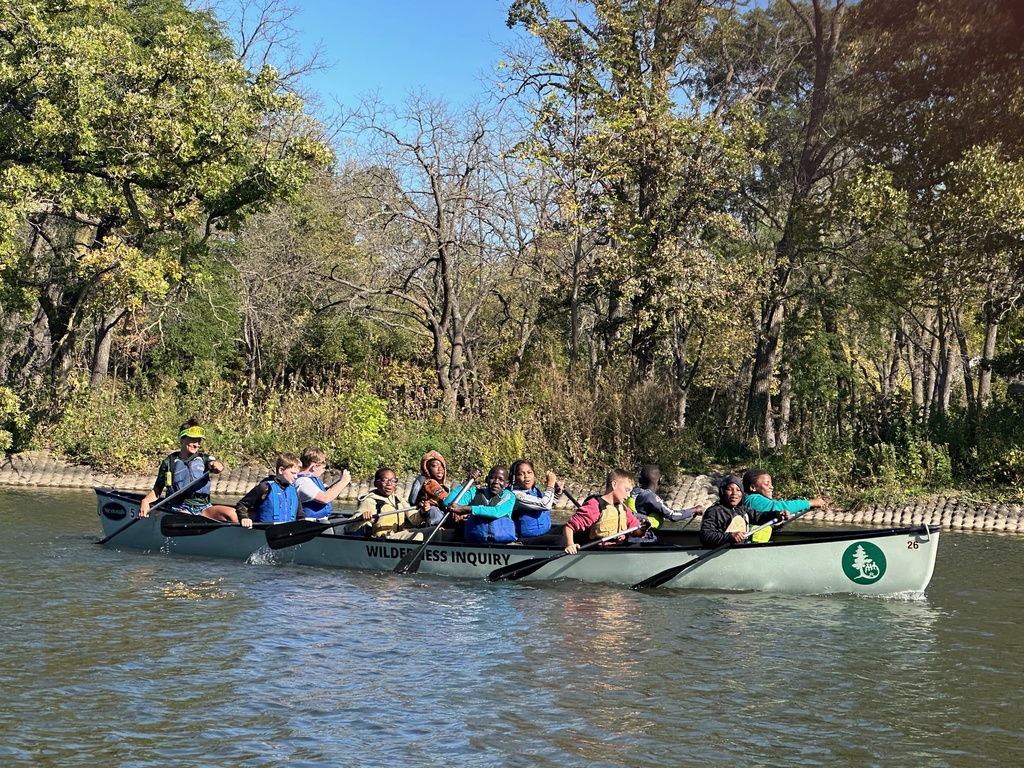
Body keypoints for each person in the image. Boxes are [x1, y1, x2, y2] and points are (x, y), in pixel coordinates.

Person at [138, 419, 237, 522]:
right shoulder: (169, 462)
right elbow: (157, 491)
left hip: (204, 507)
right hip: (179, 507)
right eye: (193, 440)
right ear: (182, 439)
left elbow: (217, 466)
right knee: (188, 519)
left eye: (199, 441)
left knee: (232, 514)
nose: (196, 444)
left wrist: (218, 465)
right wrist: (145, 501)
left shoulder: (204, 459)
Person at [563, 469, 645, 554]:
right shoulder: (594, 506)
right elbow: (569, 527)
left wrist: (644, 528)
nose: (628, 495)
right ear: (614, 485)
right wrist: (570, 544)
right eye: (627, 490)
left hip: (617, 550)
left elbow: (637, 530)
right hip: (596, 552)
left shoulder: (624, 509)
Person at [348, 467, 427, 540]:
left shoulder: (398, 499)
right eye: (384, 480)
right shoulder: (369, 501)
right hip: (382, 539)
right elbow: (349, 528)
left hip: (398, 535)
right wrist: (362, 519)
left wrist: (422, 512)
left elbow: (415, 520)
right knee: (418, 535)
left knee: (434, 532)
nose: (389, 483)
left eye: (393, 480)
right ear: (376, 483)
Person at [699, 475, 778, 547]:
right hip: (719, 551)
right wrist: (730, 536)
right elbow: (705, 536)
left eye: (738, 490)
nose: (734, 493)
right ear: (723, 492)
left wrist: (777, 515)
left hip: (739, 551)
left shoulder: (742, 509)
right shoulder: (714, 511)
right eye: (729, 490)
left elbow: (759, 516)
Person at [446, 465, 516, 543]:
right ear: (486, 479)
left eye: (501, 479)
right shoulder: (474, 492)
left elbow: (497, 511)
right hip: (476, 543)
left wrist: (466, 509)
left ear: (506, 483)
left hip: (502, 545)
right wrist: (467, 481)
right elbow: (448, 503)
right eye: (492, 478)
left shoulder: (509, 496)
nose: (496, 482)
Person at [236, 453, 304, 528]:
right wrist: (244, 518)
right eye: (293, 473)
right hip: (264, 533)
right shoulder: (265, 487)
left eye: (297, 474)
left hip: (287, 534)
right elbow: (242, 505)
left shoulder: (293, 491)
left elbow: (300, 517)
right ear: (281, 470)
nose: (296, 477)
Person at [627, 464, 702, 529]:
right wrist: (694, 509)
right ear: (659, 481)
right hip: (644, 539)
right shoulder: (650, 497)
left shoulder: (630, 493)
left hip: (629, 535)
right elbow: (673, 515)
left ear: (639, 480)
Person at [508, 459, 563, 540]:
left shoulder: (535, 490)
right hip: (527, 539)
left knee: (570, 528)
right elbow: (544, 505)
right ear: (514, 478)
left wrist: (556, 494)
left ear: (534, 475)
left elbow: (546, 506)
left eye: (529, 472)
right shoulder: (515, 495)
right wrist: (550, 485)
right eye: (521, 474)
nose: (526, 476)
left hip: (544, 533)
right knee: (559, 540)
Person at [294, 447, 352, 522]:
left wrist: (339, 482)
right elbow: (325, 498)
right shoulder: (302, 482)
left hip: (320, 520)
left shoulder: (310, 480)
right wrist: (344, 481)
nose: (323, 471)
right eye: (323, 468)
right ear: (314, 467)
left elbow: (326, 492)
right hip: (310, 524)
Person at [741, 468, 825, 519]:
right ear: (753, 488)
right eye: (767, 484)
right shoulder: (753, 500)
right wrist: (810, 503)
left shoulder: (755, 500)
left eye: (771, 484)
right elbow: (778, 506)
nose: (771, 487)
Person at [409, 450, 449, 526]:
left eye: (441, 466)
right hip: (434, 518)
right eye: (434, 466)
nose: (439, 469)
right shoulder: (430, 483)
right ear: (427, 468)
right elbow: (446, 498)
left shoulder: (440, 485)